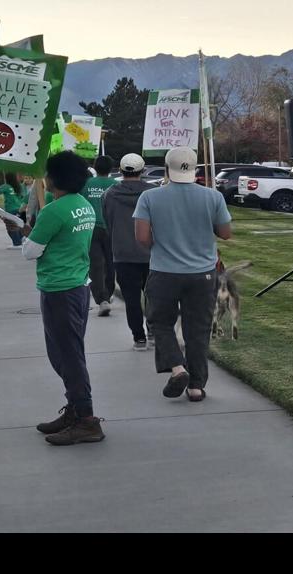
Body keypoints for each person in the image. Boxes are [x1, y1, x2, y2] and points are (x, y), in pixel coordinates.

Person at [133, 146, 233, 403]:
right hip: (203, 274)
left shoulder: (149, 198)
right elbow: (225, 233)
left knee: (159, 322)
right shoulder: (213, 197)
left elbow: (142, 238)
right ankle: (196, 387)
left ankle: (178, 368)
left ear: (167, 168)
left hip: (164, 272)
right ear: (195, 168)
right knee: (197, 330)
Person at [21, 152, 104, 445]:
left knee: (67, 357)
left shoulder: (54, 211)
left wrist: (26, 237)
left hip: (59, 288)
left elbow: (31, 251)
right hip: (79, 285)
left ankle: (86, 418)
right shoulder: (83, 206)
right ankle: (76, 409)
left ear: (54, 178)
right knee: (68, 353)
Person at [103, 153, 154, 351]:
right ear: (143, 171)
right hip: (151, 252)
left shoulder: (109, 194)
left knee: (131, 299)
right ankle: (153, 331)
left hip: (123, 254)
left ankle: (138, 338)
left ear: (121, 170)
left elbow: (108, 222)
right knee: (153, 296)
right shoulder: (153, 193)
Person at [83, 155, 120, 316]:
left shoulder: (86, 185)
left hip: (91, 228)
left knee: (95, 265)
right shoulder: (116, 185)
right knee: (111, 264)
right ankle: (108, 293)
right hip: (111, 229)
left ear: (95, 168)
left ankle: (102, 299)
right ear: (111, 168)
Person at [0, 172, 29, 247]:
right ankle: (20, 239)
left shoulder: (5, 186)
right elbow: (23, 197)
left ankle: (17, 243)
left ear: (6, 178)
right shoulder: (19, 186)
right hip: (19, 208)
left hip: (10, 210)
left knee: (11, 227)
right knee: (17, 225)